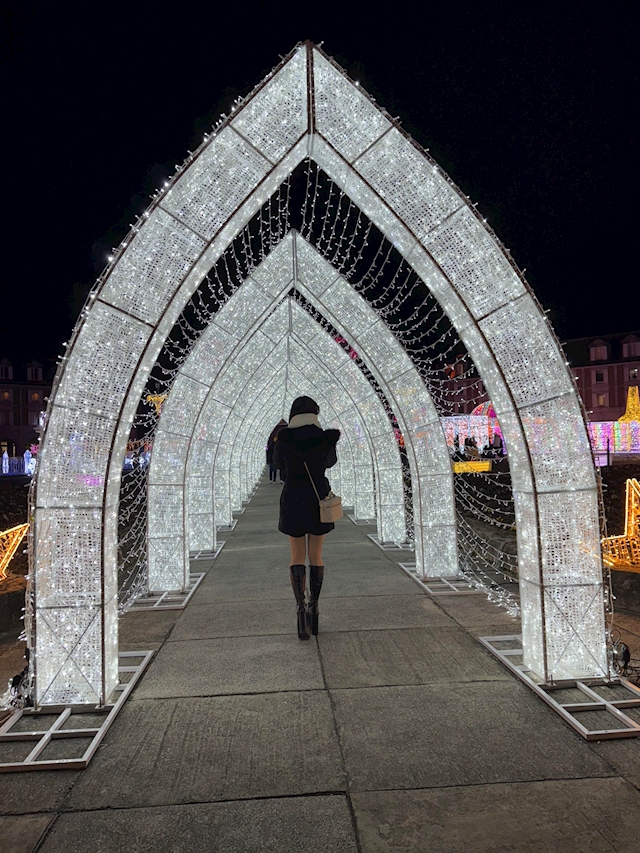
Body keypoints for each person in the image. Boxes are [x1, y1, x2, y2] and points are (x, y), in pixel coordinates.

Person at [274, 396, 340, 640]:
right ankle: (315, 607)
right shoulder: (325, 438)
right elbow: (330, 462)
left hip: (293, 497)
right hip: (318, 498)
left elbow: (278, 464)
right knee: (316, 555)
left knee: (296, 556)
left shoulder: (284, 438)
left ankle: (300, 609)